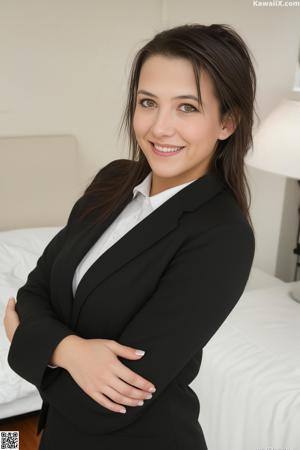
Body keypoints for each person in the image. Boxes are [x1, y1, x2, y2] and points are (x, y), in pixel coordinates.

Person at [4, 23, 257, 449]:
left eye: (187, 108)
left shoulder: (223, 236)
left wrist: (28, 343)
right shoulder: (113, 180)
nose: (160, 128)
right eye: (148, 102)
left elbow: (106, 405)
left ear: (227, 122)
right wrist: (69, 353)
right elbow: (34, 291)